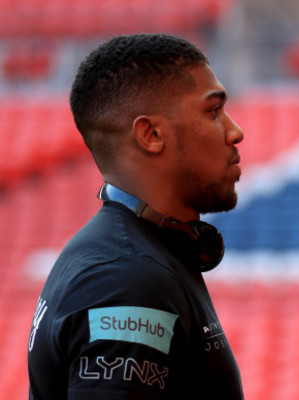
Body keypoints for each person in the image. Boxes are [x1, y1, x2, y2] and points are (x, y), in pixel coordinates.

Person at [27, 33, 244, 399]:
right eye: (213, 111)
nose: (235, 131)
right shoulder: (126, 280)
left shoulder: (129, 255)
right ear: (151, 134)